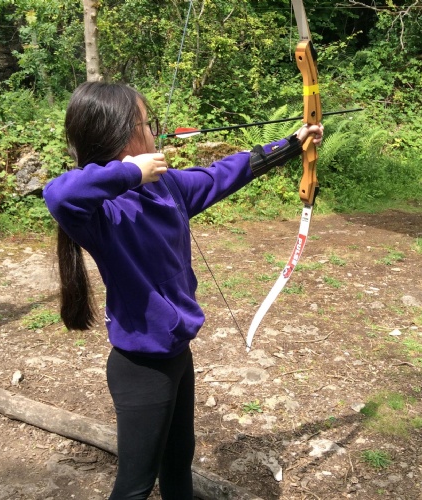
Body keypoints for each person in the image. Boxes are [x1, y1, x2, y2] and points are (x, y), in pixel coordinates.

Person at [43, 81, 324, 500]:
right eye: (147, 123)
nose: (154, 131)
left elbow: (222, 174)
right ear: (122, 135)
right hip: (141, 367)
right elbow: (59, 194)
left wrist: (292, 144)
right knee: (136, 485)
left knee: (178, 460)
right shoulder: (102, 212)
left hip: (176, 354)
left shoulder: (167, 186)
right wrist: (132, 171)